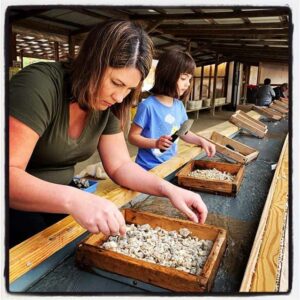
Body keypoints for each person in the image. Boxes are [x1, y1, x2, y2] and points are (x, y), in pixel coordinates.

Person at [9, 20, 208, 247]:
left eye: (128, 89)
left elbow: (120, 165)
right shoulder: (39, 85)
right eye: (116, 83)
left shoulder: (106, 104)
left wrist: (169, 189)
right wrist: (74, 199)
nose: (120, 97)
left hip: (58, 200)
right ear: (92, 64)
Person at [128, 50, 216, 171]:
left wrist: (202, 141)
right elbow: (133, 137)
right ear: (167, 75)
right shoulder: (148, 106)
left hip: (170, 166)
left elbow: (183, 132)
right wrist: (155, 143)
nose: (187, 84)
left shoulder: (179, 106)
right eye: (183, 78)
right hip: (147, 169)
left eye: (189, 79)